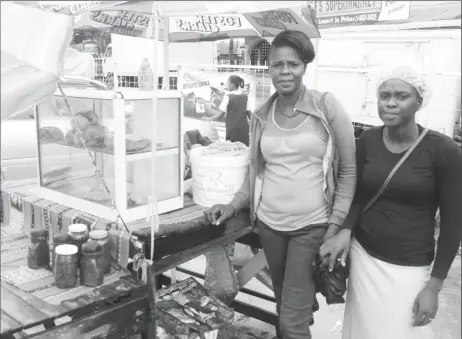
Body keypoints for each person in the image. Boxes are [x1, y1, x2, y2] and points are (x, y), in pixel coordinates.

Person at [204, 30, 357, 339]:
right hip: (270, 227)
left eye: (293, 64)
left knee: (290, 324)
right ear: (269, 68)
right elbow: (255, 171)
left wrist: (336, 224)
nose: (285, 71)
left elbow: (349, 170)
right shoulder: (261, 116)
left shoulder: (325, 107)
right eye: (277, 64)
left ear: (304, 66)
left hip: (311, 227)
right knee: (286, 304)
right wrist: (232, 205)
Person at [320, 66, 462, 339]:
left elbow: (453, 224)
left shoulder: (444, 150)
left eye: (401, 96)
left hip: (409, 266)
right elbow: (360, 193)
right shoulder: (369, 139)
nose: (391, 102)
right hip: (364, 257)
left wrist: (434, 286)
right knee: (361, 330)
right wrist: (346, 230)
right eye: (384, 95)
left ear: (420, 101)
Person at [202, 75, 251, 146]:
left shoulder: (228, 97)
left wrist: (208, 118)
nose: (226, 85)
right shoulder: (245, 97)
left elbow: (220, 115)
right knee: (244, 150)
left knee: (231, 150)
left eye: (227, 83)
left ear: (232, 85)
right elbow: (250, 114)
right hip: (244, 130)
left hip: (232, 131)